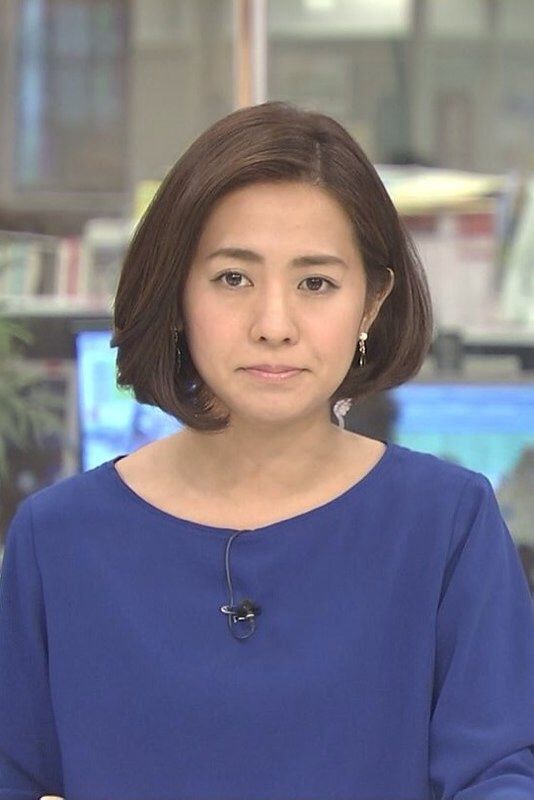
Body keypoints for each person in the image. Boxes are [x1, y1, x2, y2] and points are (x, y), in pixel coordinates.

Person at [1, 101, 533, 800]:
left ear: (372, 303)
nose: (274, 324)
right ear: (177, 294)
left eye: (316, 283)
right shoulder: (57, 539)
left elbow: (500, 774)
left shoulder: (448, 524)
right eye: (233, 278)